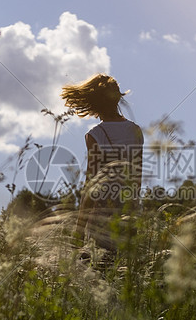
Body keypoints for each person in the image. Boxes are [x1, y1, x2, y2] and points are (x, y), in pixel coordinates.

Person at [61, 74, 143, 250]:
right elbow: (137, 180)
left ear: (94, 103)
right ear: (117, 99)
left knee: (98, 270)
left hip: (102, 215)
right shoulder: (135, 130)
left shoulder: (95, 135)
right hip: (129, 212)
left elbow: (91, 184)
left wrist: (79, 228)